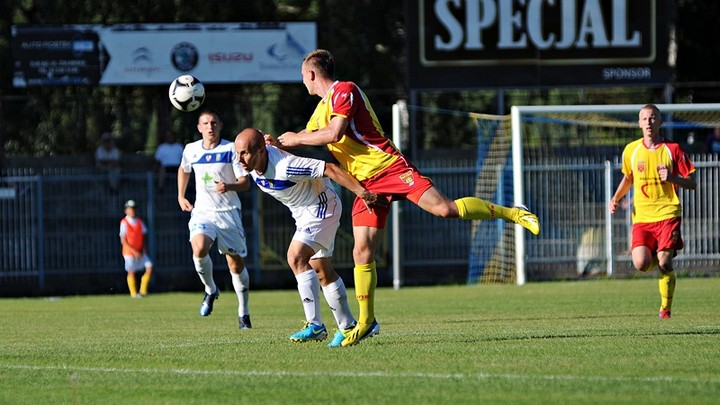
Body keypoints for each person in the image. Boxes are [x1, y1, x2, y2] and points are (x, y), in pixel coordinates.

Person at [273, 49, 540, 347]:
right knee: (361, 253)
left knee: (444, 210)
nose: (303, 83)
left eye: (302, 77)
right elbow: (308, 135)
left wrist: (295, 139)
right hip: (365, 185)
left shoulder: (344, 90)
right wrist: (275, 144)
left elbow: (334, 133)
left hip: (389, 168)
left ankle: (514, 212)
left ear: (311, 74)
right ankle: (365, 321)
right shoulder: (320, 110)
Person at [234, 128, 387, 347]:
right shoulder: (251, 159)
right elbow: (260, 137)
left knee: (295, 257)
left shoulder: (286, 167)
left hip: (322, 208)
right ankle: (349, 326)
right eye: (237, 153)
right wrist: (269, 140)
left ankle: (315, 325)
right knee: (322, 270)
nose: (240, 159)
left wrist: (363, 193)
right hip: (303, 213)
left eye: (245, 153)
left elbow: (331, 168)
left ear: (260, 151)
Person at [609, 104, 697, 319]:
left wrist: (673, 178)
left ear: (659, 122)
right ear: (639, 123)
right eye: (644, 119)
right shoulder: (631, 150)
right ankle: (660, 258)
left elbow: (692, 183)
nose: (648, 122)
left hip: (668, 213)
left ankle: (665, 309)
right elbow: (628, 178)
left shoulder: (673, 149)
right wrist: (616, 197)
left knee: (666, 262)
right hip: (642, 218)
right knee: (641, 263)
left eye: (653, 118)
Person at [177, 109, 253, 330]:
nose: (210, 127)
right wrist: (181, 195)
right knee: (198, 248)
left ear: (220, 124)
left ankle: (243, 312)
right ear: (199, 128)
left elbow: (246, 182)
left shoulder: (231, 149)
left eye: (214, 123)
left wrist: (229, 186)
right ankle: (210, 289)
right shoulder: (191, 149)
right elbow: (184, 169)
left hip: (229, 212)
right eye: (205, 124)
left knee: (235, 264)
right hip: (203, 212)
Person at [119, 199, 153, 298]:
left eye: (133, 209)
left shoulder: (139, 221)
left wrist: (142, 249)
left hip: (140, 251)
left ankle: (143, 291)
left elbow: (144, 235)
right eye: (130, 209)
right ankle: (133, 293)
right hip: (129, 252)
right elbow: (123, 240)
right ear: (126, 210)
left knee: (149, 267)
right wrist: (134, 251)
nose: (132, 211)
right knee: (131, 271)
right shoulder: (124, 222)